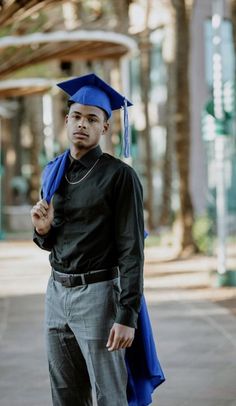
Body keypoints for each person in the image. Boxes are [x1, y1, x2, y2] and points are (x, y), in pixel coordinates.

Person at [31, 73, 144, 406]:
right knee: (65, 394)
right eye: (77, 117)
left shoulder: (120, 176)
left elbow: (132, 249)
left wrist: (127, 316)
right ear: (66, 121)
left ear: (104, 128)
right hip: (56, 293)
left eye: (92, 119)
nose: (83, 124)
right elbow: (51, 243)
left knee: (109, 394)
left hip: (98, 296)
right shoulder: (53, 172)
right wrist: (43, 231)